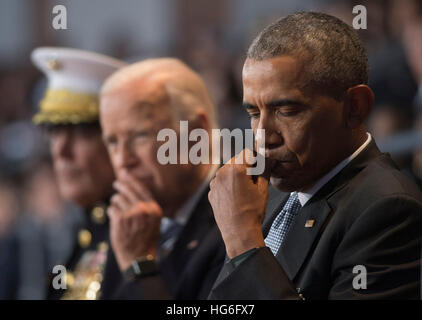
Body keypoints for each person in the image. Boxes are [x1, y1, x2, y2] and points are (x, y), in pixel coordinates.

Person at [207, 12, 422, 300]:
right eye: (254, 114)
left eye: (286, 111)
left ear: (355, 107)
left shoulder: (389, 210)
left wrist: (245, 242)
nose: (263, 137)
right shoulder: (268, 195)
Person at [99, 58, 225, 299]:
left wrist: (140, 265)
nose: (123, 160)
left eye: (140, 136)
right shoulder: (126, 222)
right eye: (113, 142)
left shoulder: (240, 221)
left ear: (197, 134)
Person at [31, 47, 127, 299]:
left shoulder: (151, 240)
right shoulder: (85, 236)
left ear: (118, 141)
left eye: (81, 130)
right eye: (53, 130)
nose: (60, 150)